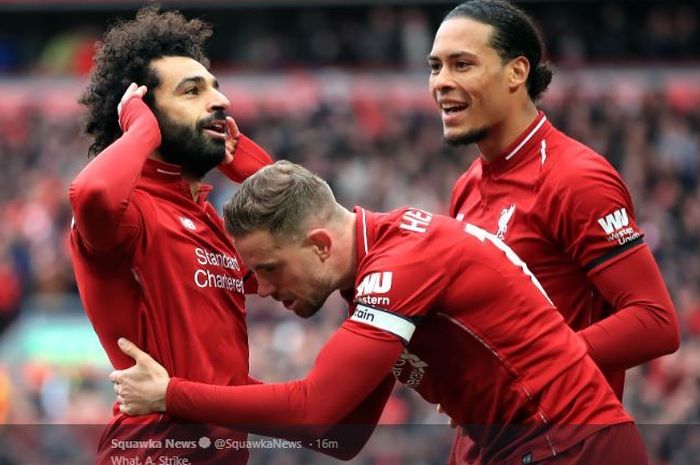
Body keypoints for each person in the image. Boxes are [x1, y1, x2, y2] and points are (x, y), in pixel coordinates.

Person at [110, 161, 649, 465]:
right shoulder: (373, 269)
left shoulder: (401, 266)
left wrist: (173, 393)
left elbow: (314, 408)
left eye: (270, 269)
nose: (264, 289)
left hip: (570, 448)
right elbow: (343, 437)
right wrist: (212, 389)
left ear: (320, 245)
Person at [427, 1, 680, 463]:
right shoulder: (467, 187)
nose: (441, 81)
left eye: (462, 64)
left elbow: (655, 322)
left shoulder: (575, 177)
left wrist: (525, 369)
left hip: (566, 446)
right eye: (436, 66)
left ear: (516, 72)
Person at [68, 7, 272, 464]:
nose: (221, 101)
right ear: (147, 113)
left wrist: (252, 170)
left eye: (216, 87)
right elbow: (92, 193)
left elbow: (307, 241)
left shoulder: (210, 223)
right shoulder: (131, 212)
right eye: (193, 91)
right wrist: (140, 129)